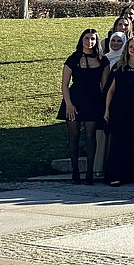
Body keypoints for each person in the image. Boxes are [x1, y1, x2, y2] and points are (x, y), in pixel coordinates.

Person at [58, 29, 107, 185]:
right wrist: (69, 104)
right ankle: (75, 172)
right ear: (81, 40)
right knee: (73, 137)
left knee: (90, 137)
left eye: (93, 39)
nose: (89, 41)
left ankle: (90, 173)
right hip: (75, 99)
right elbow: (64, 85)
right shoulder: (73, 59)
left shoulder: (102, 60)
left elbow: (104, 85)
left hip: (93, 101)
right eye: (87, 38)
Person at [102, 36, 134, 186]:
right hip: (119, 109)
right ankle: (114, 175)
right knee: (117, 143)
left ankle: (130, 175)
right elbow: (111, 90)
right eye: (131, 47)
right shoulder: (119, 66)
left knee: (133, 143)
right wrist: (106, 110)